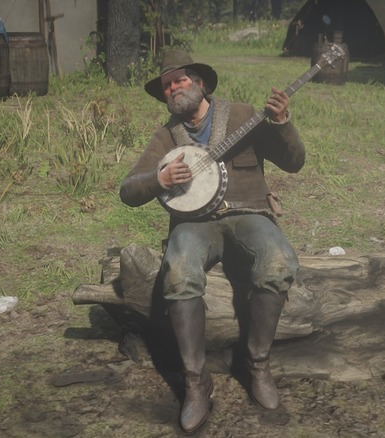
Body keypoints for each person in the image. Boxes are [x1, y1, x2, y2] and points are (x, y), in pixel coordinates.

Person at [119, 49, 305, 434]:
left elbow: (294, 161)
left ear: (200, 84)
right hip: (194, 224)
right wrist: (160, 180)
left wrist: (282, 121)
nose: (172, 89)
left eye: (180, 80)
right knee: (178, 271)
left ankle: (258, 365)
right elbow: (128, 190)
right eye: (167, 85)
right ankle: (195, 381)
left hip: (249, 215)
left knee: (278, 260)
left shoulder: (241, 116)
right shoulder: (167, 136)